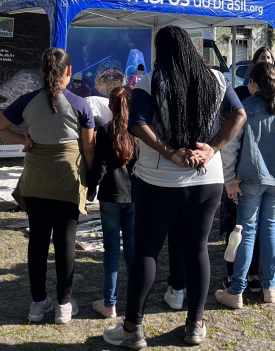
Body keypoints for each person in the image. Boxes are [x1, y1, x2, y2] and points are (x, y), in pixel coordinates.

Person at [102, 26, 246, 349]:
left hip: (158, 181)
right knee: (197, 251)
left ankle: (132, 329)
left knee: (147, 252)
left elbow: (136, 123)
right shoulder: (217, 79)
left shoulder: (151, 81)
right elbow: (238, 114)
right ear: (191, 49)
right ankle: (195, 325)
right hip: (207, 180)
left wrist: (169, 151)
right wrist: (211, 148)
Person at [0, 48, 96, 324]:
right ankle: (63, 306)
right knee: (66, 242)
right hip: (68, 182)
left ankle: (38, 304)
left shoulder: (26, 101)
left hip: (35, 182)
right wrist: (92, 182)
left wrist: (23, 138)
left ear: (41, 72)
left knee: (37, 241)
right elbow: (89, 150)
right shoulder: (80, 105)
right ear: (69, 73)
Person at [216, 62, 275, 308]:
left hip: (250, 178)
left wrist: (230, 180)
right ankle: (270, 287)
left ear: (253, 83)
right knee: (269, 232)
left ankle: (237, 290)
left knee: (247, 232)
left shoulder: (246, 110)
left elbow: (230, 148)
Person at [87, 86, 136, 319]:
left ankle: (110, 303)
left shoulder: (105, 130)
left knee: (111, 253)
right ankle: (136, 301)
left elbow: (100, 167)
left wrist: (90, 190)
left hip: (109, 197)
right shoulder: (138, 131)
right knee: (133, 253)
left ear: (110, 106)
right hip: (134, 197)